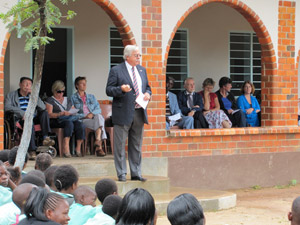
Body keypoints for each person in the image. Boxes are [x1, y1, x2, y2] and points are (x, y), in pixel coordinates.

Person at [106, 45, 151, 182]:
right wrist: (121, 89)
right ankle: (122, 174)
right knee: (120, 146)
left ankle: (136, 172)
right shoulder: (116, 70)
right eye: (136, 55)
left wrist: (148, 94)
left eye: (139, 55)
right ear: (127, 56)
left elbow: (147, 87)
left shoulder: (142, 70)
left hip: (139, 112)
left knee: (136, 145)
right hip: (123, 112)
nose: (139, 57)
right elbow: (109, 90)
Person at [4, 77, 54, 160]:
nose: (28, 86)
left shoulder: (32, 95)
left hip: (33, 117)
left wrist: (34, 96)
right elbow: (7, 107)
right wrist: (23, 113)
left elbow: (43, 107)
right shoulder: (11, 95)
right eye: (25, 83)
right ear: (20, 84)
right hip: (21, 119)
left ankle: (46, 137)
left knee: (44, 113)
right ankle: (32, 150)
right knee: (29, 122)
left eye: (30, 84)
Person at [45, 80, 85, 158]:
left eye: (62, 91)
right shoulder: (50, 100)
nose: (61, 94)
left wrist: (71, 112)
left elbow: (73, 109)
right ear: (54, 90)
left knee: (80, 125)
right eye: (58, 92)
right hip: (56, 120)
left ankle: (78, 148)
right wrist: (60, 113)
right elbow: (49, 114)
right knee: (69, 123)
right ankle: (66, 146)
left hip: (68, 118)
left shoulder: (68, 99)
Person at [71, 76, 107, 157]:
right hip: (83, 120)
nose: (84, 85)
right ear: (77, 85)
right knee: (100, 122)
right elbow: (73, 113)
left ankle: (97, 141)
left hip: (94, 118)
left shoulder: (91, 97)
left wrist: (92, 114)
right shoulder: (73, 98)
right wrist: (85, 116)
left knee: (98, 116)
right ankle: (99, 148)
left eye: (85, 83)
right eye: (82, 83)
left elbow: (98, 109)